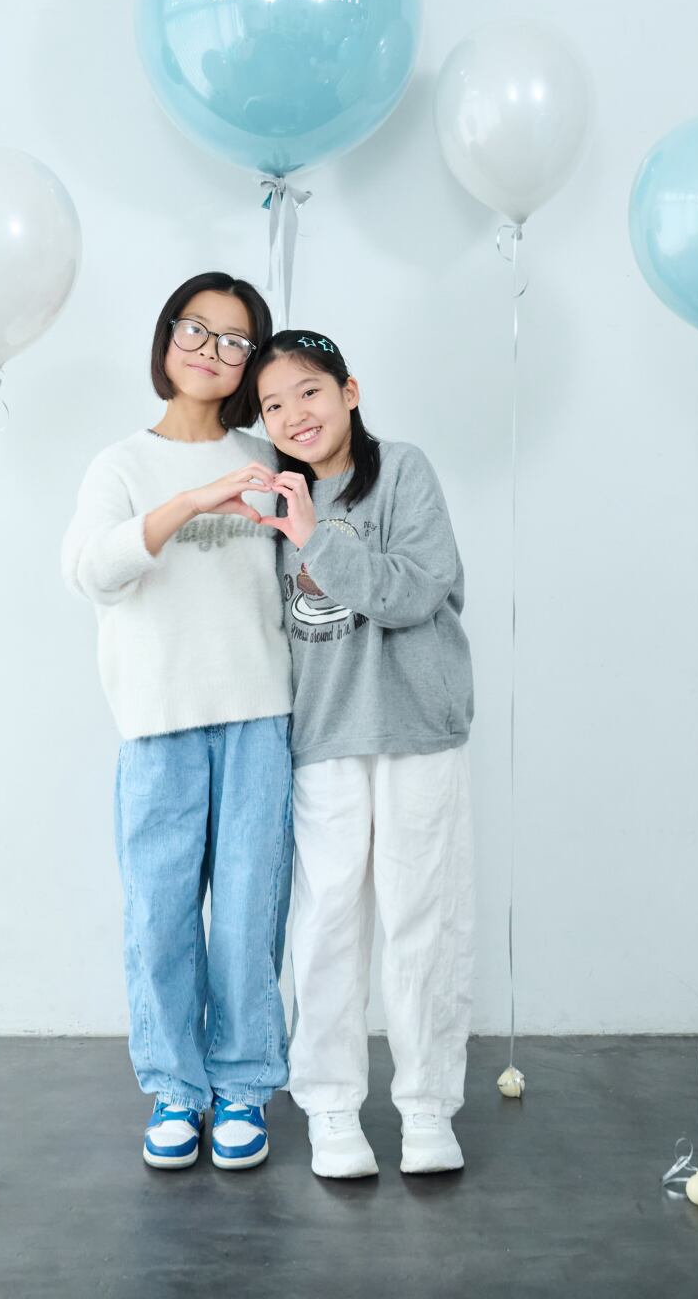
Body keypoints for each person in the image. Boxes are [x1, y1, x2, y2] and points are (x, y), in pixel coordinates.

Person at [61, 273, 293, 1171]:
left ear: (249, 362)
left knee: (246, 916)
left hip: (257, 718)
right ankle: (175, 1088)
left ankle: (242, 1085)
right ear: (167, 338)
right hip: (157, 724)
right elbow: (91, 572)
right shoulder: (120, 466)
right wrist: (192, 502)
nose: (212, 351)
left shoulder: (268, 458)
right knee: (159, 918)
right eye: (196, 330)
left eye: (235, 341)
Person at [255, 327, 475, 1178]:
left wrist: (318, 539)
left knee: (425, 921)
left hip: (418, 727)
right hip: (324, 737)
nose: (294, 415)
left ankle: (426, 1107)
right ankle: (331, 1106)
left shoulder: (404, 472)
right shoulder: (272, 499)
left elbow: (417, 588)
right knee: (326, 927)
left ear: (349, 392)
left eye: (310, 391)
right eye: (274, 405)